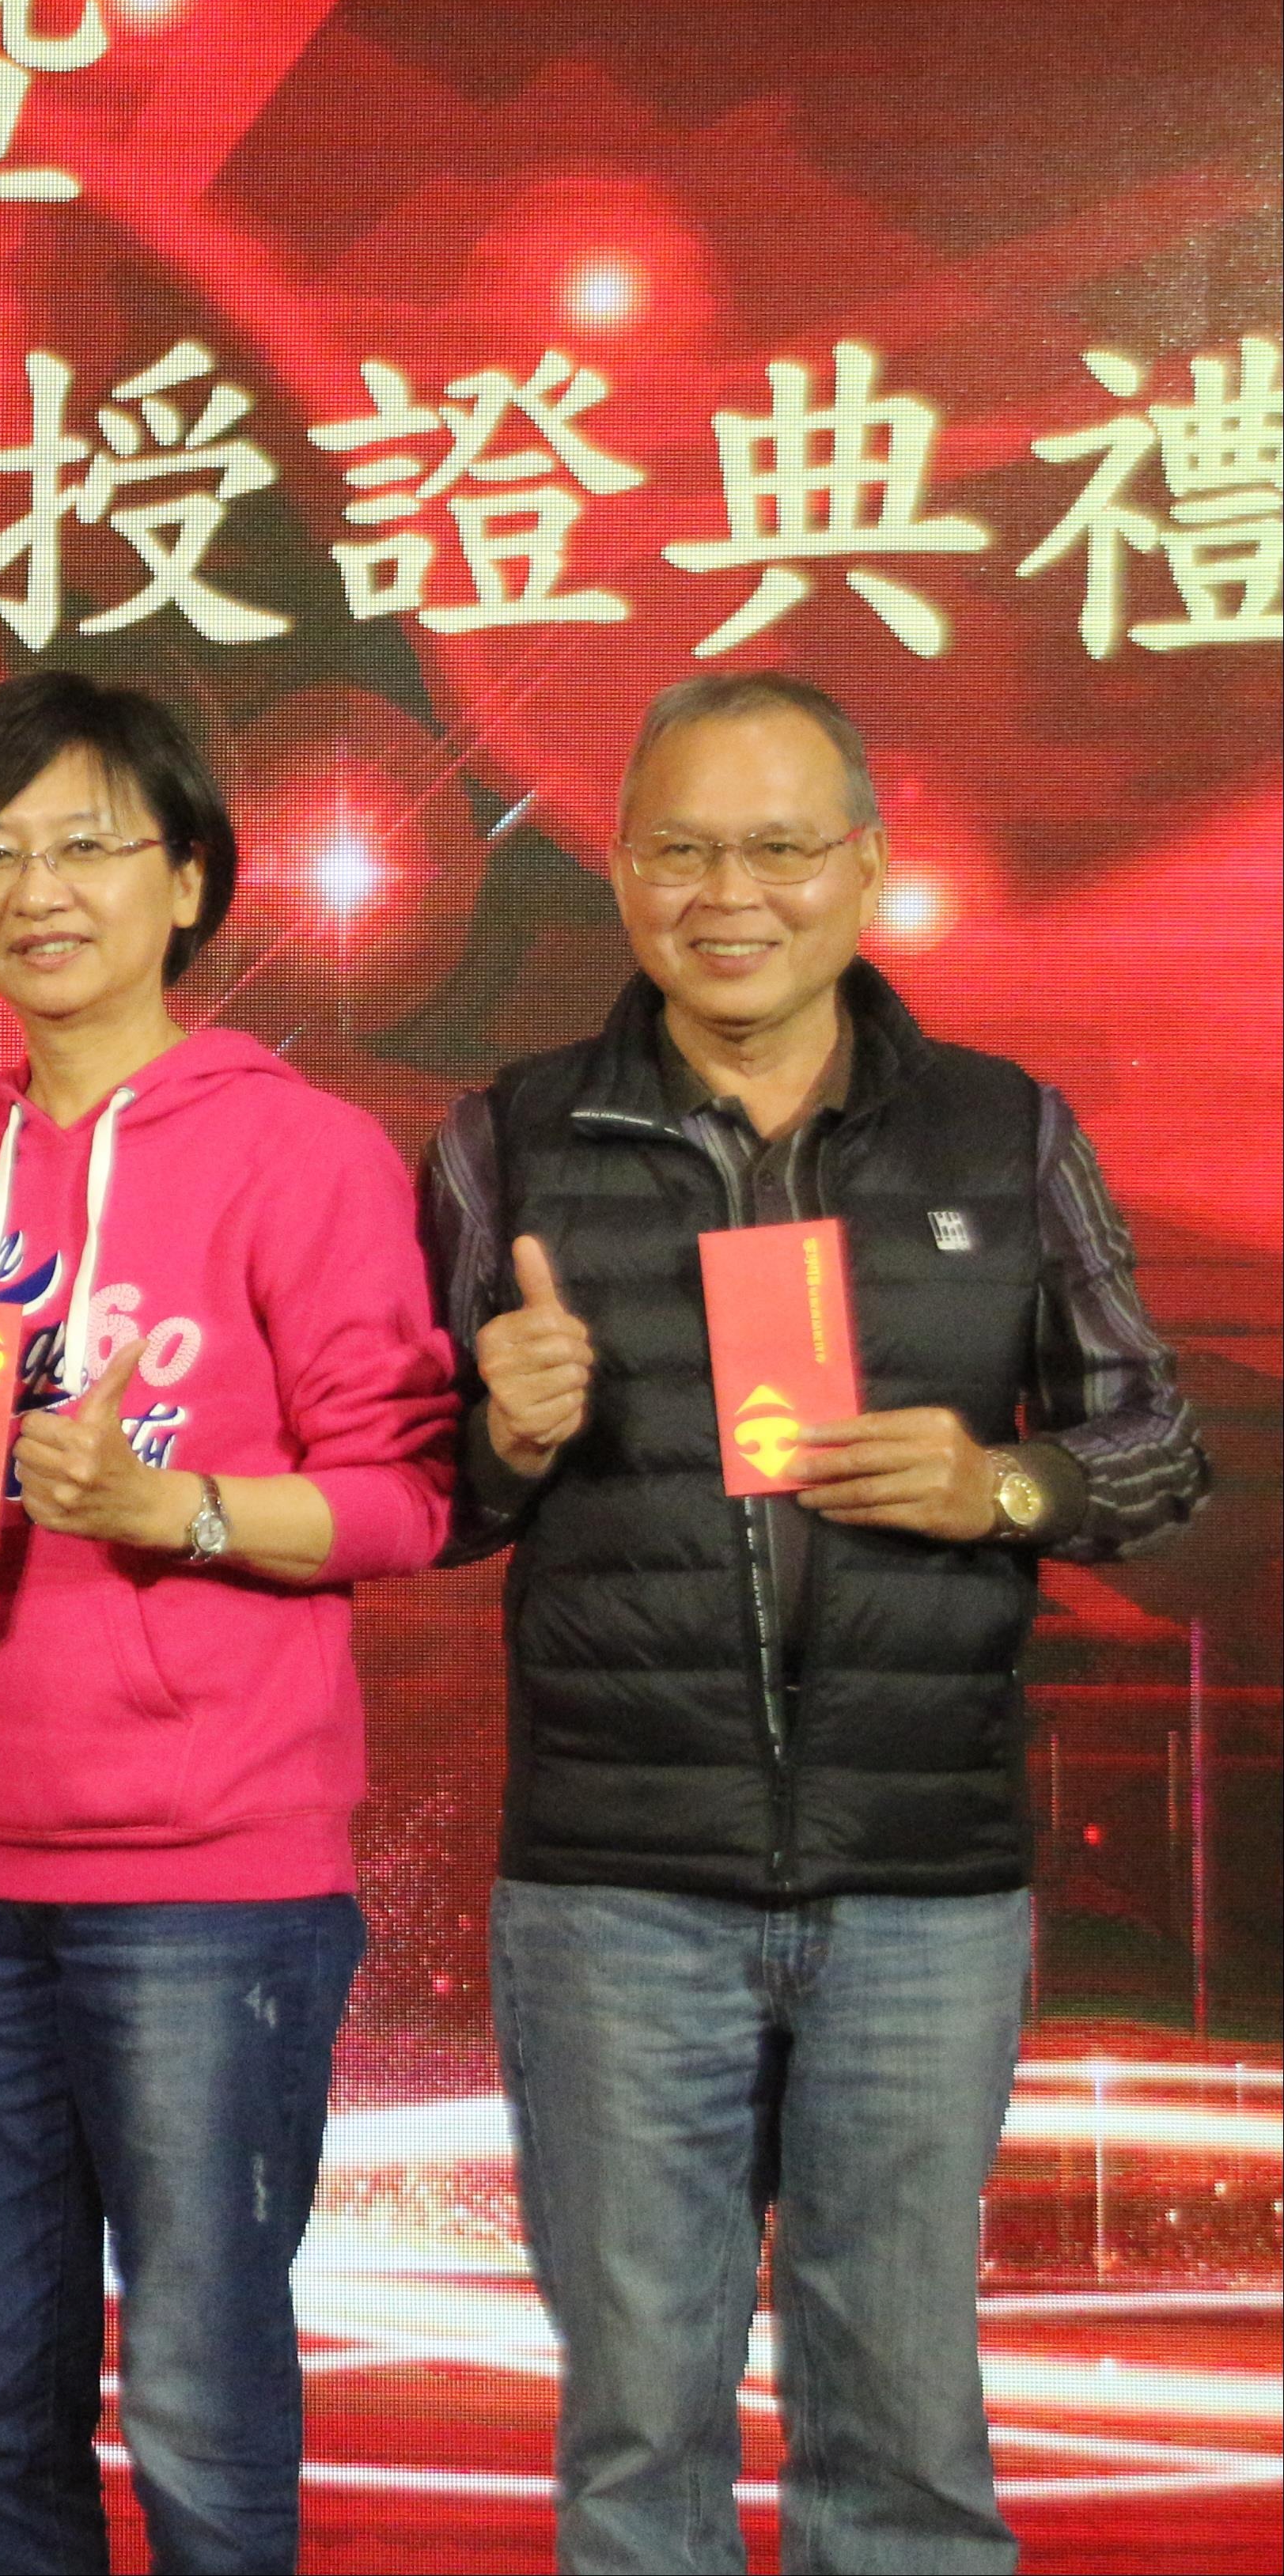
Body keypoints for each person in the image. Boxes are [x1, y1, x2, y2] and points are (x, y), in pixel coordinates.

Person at [425, 671, 1208, 2576]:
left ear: (865, 866)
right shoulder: (505, 1139)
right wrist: (503, 1433)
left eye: (779, 848)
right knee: (637, 2441)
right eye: (682, 851)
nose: (731, 895)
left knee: (905, 2442)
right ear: (620, 873)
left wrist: (1000, 1486)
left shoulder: (1002, 1129)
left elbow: (1158, 1445)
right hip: (615, 1885)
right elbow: (411, 1491)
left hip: (922, 1885)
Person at [0, 669, 459, 2575]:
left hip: (209, 1882)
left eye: (86, 843)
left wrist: (181, 1509)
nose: (37, 888)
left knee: (198, 2402)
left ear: (186, 882)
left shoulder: (304, 1155)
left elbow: (406, 1496)